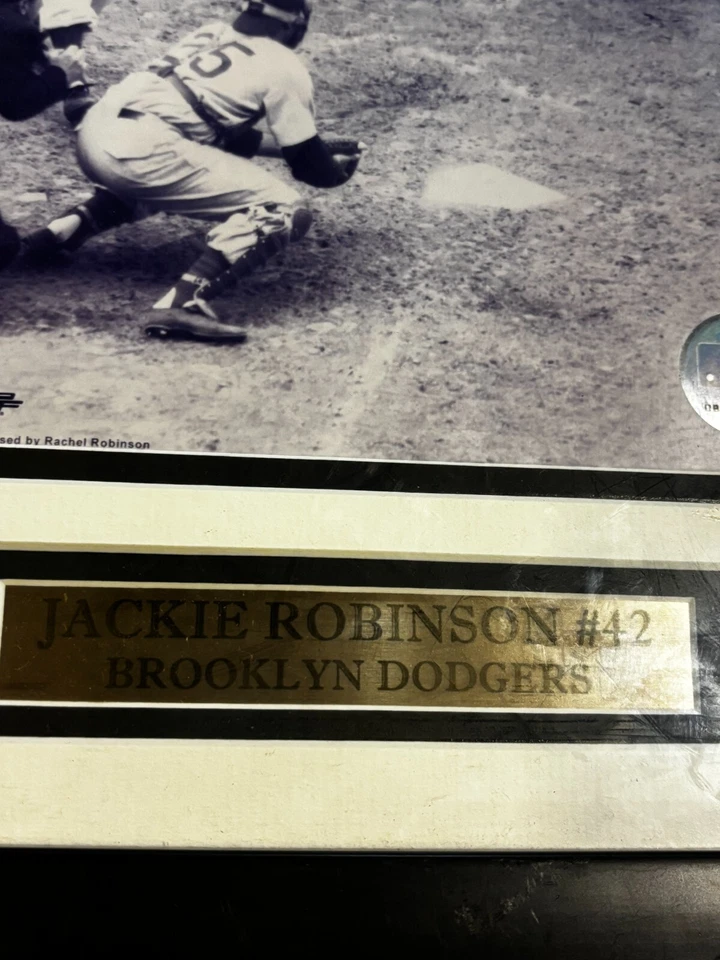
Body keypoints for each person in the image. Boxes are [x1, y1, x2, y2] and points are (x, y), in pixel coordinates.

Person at [25, 0, 364, 342]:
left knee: (184, 163)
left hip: (96, 132)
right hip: (139, 153)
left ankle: (56, 235)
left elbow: (218, 133)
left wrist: (313, 146)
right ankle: (182, 304)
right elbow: (309, 166)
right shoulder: (284, 65)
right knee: (285, 209)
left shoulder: (211, 34)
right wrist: (334, 170)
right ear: (294, 26)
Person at [0, 0, 86, 267]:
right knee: (4, 246)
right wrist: (61, 74)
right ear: (25, 4)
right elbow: (16, 104)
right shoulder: (15, 28)